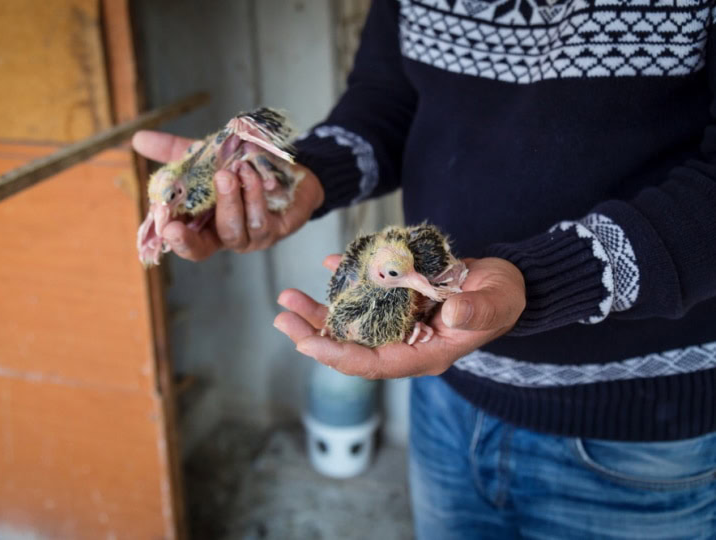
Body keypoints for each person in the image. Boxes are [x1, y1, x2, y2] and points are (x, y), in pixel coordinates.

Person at [133, 0, 716, 536]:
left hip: (640, 425)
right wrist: (301, 178)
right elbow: (389, 99)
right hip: (445, 391)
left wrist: (544, 278)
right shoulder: (392, 301)